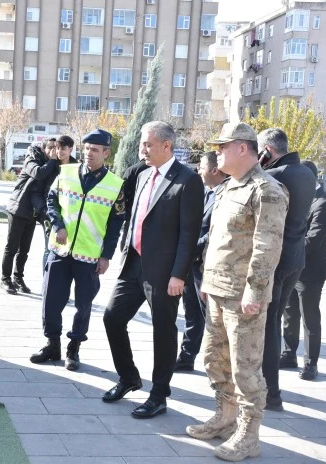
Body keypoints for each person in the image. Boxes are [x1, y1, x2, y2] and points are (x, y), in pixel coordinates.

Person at [185, 122, 287, 462]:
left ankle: (248, 435)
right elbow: (220, 240)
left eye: (222, 146)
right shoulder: (228, 188)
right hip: (216, 289)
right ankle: (225, 417)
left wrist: (255, 293)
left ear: (242, 148)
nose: (216, 152)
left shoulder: (266, 190)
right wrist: (207, 284)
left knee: (245, 368)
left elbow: (266, 246)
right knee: (215, 359)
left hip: (244, 297)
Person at [102, 121, 204, 418]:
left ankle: (159, 395)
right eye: (141, 145)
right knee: (112, 318)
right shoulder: (144, 174)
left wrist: (179, 275)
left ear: (166, 146)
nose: (141, 150)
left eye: (147, 144)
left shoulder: (187, 180)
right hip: (133, 263)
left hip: (164, 273)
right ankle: (129, 377)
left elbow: (189, 233)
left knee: (163, 332)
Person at [29, 129, 125, 371]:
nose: (89, 153)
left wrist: (106, 256)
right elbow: (52, 201)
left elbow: (115, 225)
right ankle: (52, 344)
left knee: (83, 306)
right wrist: (58, 225)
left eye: (95, 149)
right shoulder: (66, 172)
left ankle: (74, 348)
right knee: (51, 301)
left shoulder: (115, 185)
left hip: (89, 256)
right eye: (87, 148)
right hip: (60, 250)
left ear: (106, 153)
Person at [257, 128, 316, 411]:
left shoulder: (275, 176)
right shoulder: (306, 172)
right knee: (274, 321)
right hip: (296, 260)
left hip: (277, 262)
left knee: (268, 327)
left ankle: (271, 394)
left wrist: (257, 166)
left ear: (267, 150)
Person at [281, 160, 326, 381]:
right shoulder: (299, 199)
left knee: (309, 317)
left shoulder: (323, 204)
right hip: (291, 267)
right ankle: (288, 355)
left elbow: (312, 241)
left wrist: (285, 246)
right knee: (289, 313)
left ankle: (310, 363)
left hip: (310, 272)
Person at [174, 151, 227, 371]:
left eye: (202, 167)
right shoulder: (205, 192)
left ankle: (220, 364)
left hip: (208, 265)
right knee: (192, 313)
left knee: (211, 317)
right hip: (192, 263)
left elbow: (214, 233)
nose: (198, 171)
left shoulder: (225, 195)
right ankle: (186, 357)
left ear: (214, 170)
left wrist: (189, 248)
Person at [1, 138, 59, 294]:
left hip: (32, 213)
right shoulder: (31, 160)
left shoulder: (50, 164)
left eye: (56, 147)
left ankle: (18, 278)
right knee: (11, 247)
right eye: (51, 148)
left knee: (24, 250)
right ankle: (5, 279)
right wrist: (53, 160)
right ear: (43, 148)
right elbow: (38, 174)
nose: (54, 150)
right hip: (18, 208)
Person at [40, 135, 77, 269]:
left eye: (63, 149)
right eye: (57, 148)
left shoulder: (77, 167)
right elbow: (45, 191)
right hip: (51, 212)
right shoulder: (51, 165)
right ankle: (46, 278)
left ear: (70, 149)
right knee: (49, 248)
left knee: (65, 248)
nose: (59, 152)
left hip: (69, 214)